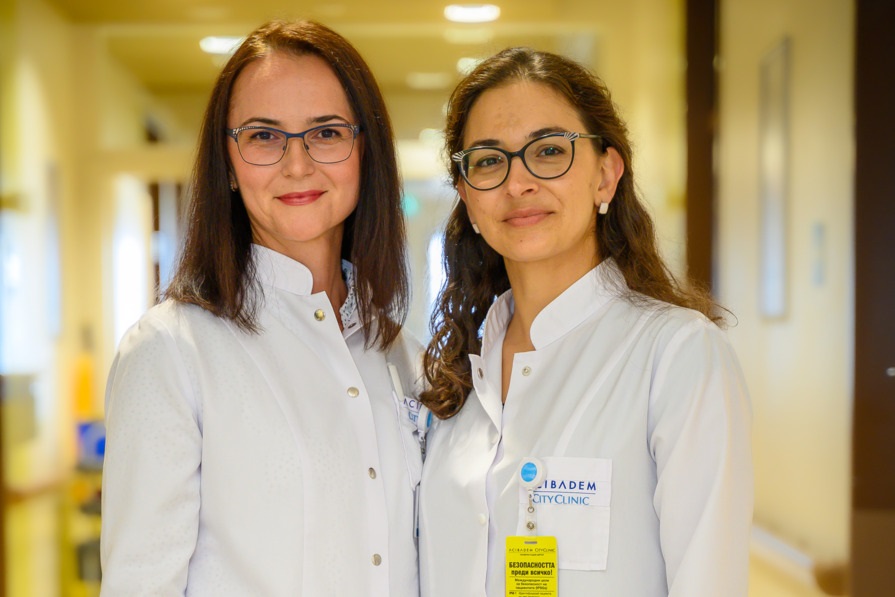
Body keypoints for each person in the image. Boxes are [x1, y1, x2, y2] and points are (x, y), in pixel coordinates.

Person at [100, 20, 423, 596]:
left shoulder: (402, 357)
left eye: (327, 132)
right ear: (227, 163)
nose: (297, 164)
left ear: (364, 151)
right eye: (264, 136)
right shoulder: (171, 351)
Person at [418, 47, 752, 596]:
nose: (517, 183)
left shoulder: (677, 354)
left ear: (605, 176)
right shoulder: (455, 377)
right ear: (466, 196)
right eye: (488, 160)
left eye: (549, 151)